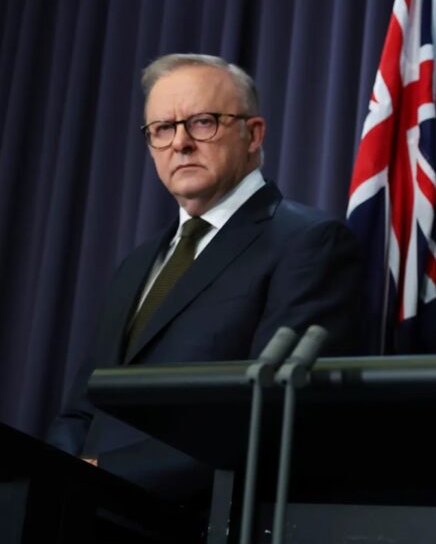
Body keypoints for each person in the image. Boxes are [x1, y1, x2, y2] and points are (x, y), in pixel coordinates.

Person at [48, 53, 364, 506]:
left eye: (201, 122)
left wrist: (105, 477)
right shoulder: (137, 263)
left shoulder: (309, 243)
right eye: (162, 129)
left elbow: (270, 415)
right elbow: (82, 406)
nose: (180, 143)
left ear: (253, 134)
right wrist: (57, 475)